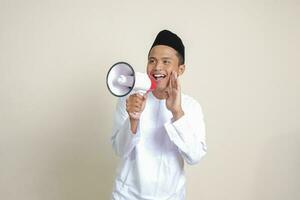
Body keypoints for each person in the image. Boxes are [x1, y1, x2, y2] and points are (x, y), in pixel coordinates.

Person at [110, 30, 207, 200]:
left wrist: (177, 112)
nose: (157, 67)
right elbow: (119, 150)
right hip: (126, 196)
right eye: (152, 61)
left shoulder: (191, 107)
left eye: (166, 61)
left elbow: (195, 156)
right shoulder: (130, 99)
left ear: (181, 69)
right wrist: (133, 118)